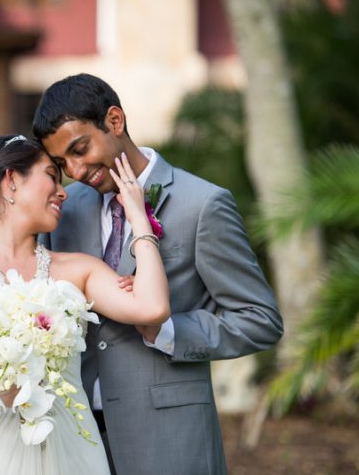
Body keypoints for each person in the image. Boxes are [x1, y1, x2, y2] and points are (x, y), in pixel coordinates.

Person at [34, 74, 284, 474]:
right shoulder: (63, 210)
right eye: (63, 163)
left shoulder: (202, 204)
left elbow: (261, 320)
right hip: (75, 436)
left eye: (80, 149)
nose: (76, 170)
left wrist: (168, 332)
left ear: (115, 121)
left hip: (170, 437)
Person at [0, 135, 171, 474]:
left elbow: (152, 308)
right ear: (11, 179)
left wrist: (139, 218)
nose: (63, 191)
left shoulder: (79, 270)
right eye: (51, 175)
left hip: (75, 453)